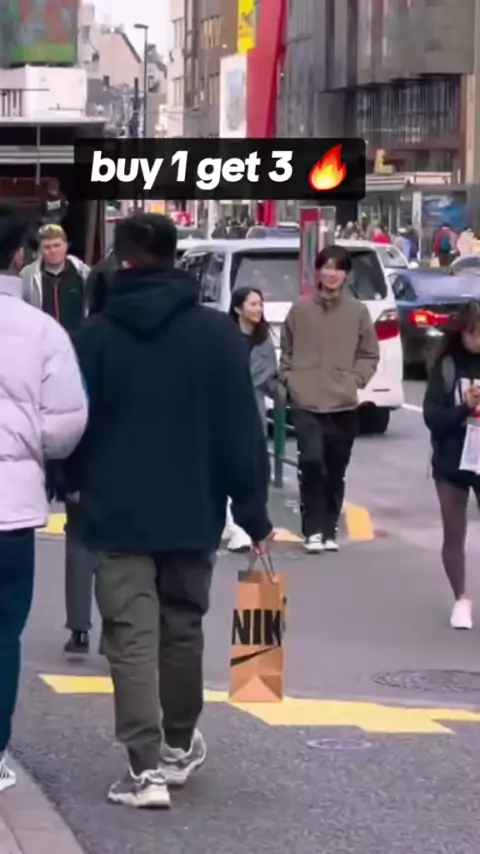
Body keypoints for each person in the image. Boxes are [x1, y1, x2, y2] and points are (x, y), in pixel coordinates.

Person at [64, 213, 273, 808]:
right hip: (193, 508)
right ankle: (179, 745)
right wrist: (253, 513)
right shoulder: (215, 335)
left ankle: (144, 769)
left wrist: (72, 483)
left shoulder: (96, 336)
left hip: (116, 510)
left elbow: (72, 424)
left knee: (129, 636)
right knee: (182, 627)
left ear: (122, 260)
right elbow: (241, 432)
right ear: (176, 257)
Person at [0, 205, 88, 792]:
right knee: (3, 630)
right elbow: (65, 424)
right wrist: (30, 445)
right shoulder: (42, 331)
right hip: (10, 509)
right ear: (19, 256)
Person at [21, 224, 93, 655]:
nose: (53, 251)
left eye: (58, 244)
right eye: (47, 245)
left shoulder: (81, 276)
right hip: (45, 365)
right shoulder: (30, 280)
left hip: (73, 364)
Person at [279, 245, 379, 554]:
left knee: (335, 469)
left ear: (346, 275)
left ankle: (328, 529)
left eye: (338, 268)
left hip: (343, 403)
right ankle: (312, 531)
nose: (332, 274)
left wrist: (355, 379)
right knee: (311, 463)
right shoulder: (300, 310)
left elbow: (369, 354)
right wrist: (291, 381)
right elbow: (286, 351)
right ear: (318, 271)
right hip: (306, 402)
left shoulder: (357, 312)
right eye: (327, 267)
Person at [423, 300, 480, 630]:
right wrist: (463, 407)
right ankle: (461, 599)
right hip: (452, 458)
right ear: (462, 332)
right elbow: (432, 418)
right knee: (454, 530)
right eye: (474, 333)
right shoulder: (446, 365)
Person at [226, 286, 278, 551]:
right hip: (223, 410)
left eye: (260, 304)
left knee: (250, 470)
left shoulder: (264, 340)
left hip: (252, 412)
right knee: (224, 467)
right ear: (238, 308)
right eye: (253, 304)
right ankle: (232, 525)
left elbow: (267, 378)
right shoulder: (224, 336)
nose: (258, 309)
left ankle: (242, 528)